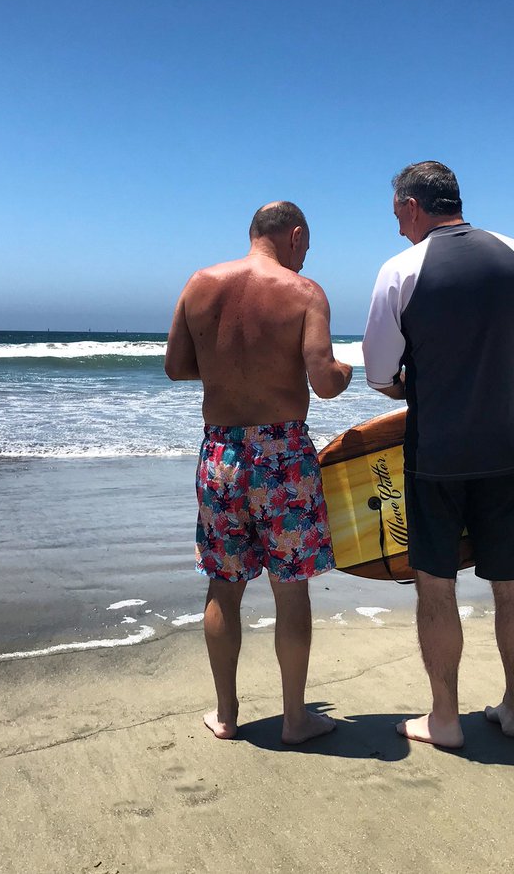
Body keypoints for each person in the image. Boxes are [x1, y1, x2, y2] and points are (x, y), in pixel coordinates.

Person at [362, 161, 514, 747]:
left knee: (437, 588)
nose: (398, 226)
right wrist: (502, 370)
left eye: (398, 214)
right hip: (504, 451)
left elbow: (378, 372)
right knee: (511, 583)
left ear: (412, 205)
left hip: (434, 458)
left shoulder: (401, 270)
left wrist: (417, 386)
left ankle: (445, 718)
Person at [165, 201, 353, 745]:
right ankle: (296, 719)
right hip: (284, 457)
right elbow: (324, 380)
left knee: (223, 588)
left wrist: (228, 365)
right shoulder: (304, 292)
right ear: (294, 236)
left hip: (221, 454)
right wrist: (344, 369)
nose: (305, 257)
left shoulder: (200, 283)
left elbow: (176, 366)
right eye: (307, 246)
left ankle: (226, 716)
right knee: (290, 589)